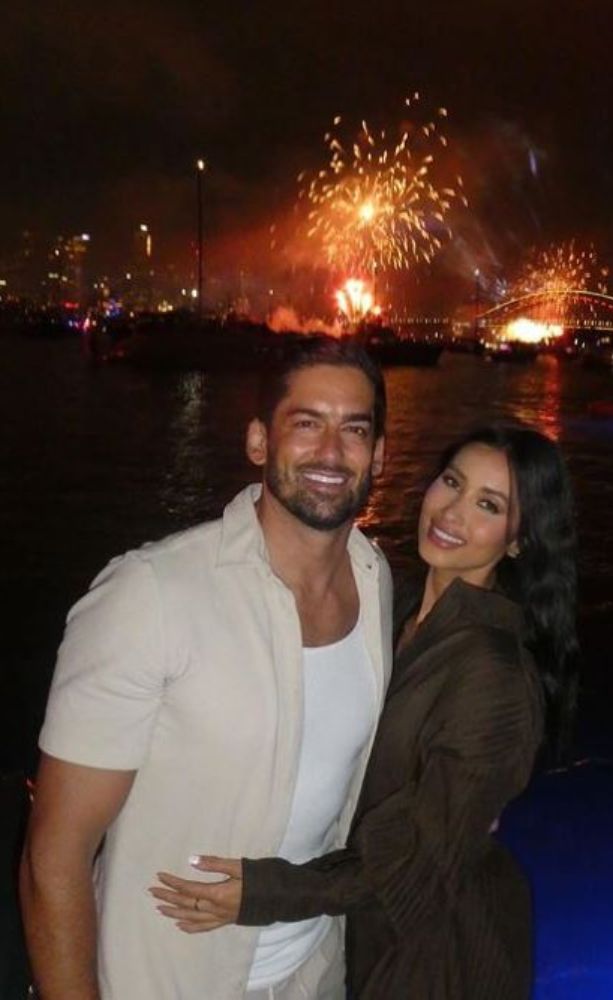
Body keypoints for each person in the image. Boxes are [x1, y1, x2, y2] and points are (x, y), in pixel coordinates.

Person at [20, 336, 394, 999]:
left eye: (354, 430)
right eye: (306, 424)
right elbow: (55, 856)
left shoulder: (375, 577)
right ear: (258, 442)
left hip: (316, 969)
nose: (331, 453)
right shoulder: (152, 596)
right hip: (170, 980)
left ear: (380, 455)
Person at [149, 424, 580, 999]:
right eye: (451, 482)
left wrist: (264, 893)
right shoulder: (396, 608)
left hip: (438, 947)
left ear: (519, 539)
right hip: (377, 920)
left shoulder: (493, 673)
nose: (452, 512)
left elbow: (416, 861)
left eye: (488, 505)